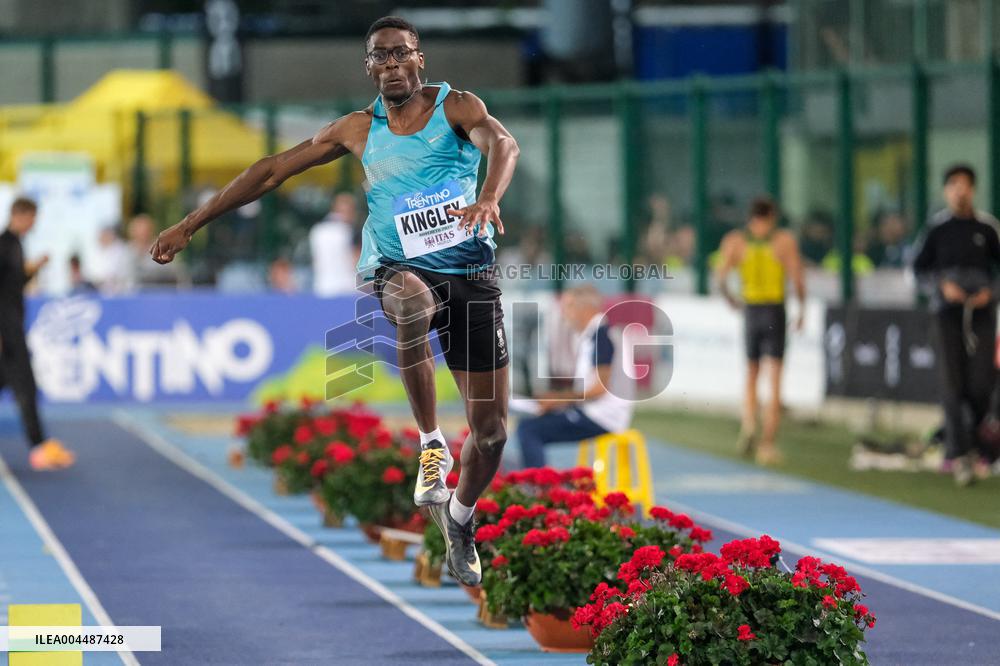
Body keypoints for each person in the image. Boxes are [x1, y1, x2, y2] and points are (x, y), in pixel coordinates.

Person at [149, 16, 520, 586]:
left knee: (492, 434)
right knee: (411, 304)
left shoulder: (456, 107)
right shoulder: (356, 128)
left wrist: (488, 196)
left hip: (469, 270)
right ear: (369, 67)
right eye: (380, 57)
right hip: (395, 264)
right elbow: (272, 171)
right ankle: (429, 446)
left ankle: (460, 517)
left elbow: (503, 142)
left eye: (401, 54)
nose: (392, 65)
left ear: (420, 58)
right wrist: (191, 223)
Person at [912, 164, 1000, 486]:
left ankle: (975, 445)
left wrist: (991, 293)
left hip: (981, 315)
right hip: (945, 315)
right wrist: (941, 287)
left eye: (965, 185)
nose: (960, 191)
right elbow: (919, 270)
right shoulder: (937, 229)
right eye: (954, 185)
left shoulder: (988, 228)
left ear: (973, 190)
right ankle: (957, 453)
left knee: (980, 384)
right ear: (946, 190)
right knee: (951, 384)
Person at [716, 196, 805, 465]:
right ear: (772, 215)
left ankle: (748, 425)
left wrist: (732, 299)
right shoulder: (783, 240)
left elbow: (720, 277)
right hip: (774, 310)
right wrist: (802, 309)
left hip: (751, 309)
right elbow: (797, 278)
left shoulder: (735, 240)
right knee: (775, 377)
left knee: (751, 373)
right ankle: (767, 444)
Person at [516, 285, 634, 467]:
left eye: (568, 307)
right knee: (530, 424)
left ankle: (538, 487)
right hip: (597, 412)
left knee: (529, 430)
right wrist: (558, 400)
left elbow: (599, 389)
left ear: (584, 308)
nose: (564, 314)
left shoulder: (601, 336)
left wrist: (559, 400)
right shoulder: (598, 334)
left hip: (602, 416)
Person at [0, 198, 75, 470]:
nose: (35, 223)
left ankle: (40, 445)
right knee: (26, 388)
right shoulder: (4, 244)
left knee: (19, 386)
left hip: (11, 327)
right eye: (32, 217)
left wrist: (32, 270)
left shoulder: (15, 244)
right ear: (19, 215)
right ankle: (40, 447)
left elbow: (12, 282)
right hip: (7, 331)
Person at [310, 192, 360, 296]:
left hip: (322, 288)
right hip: (347, 289)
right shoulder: (350, 231)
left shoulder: (317, 230)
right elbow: (357, 262)